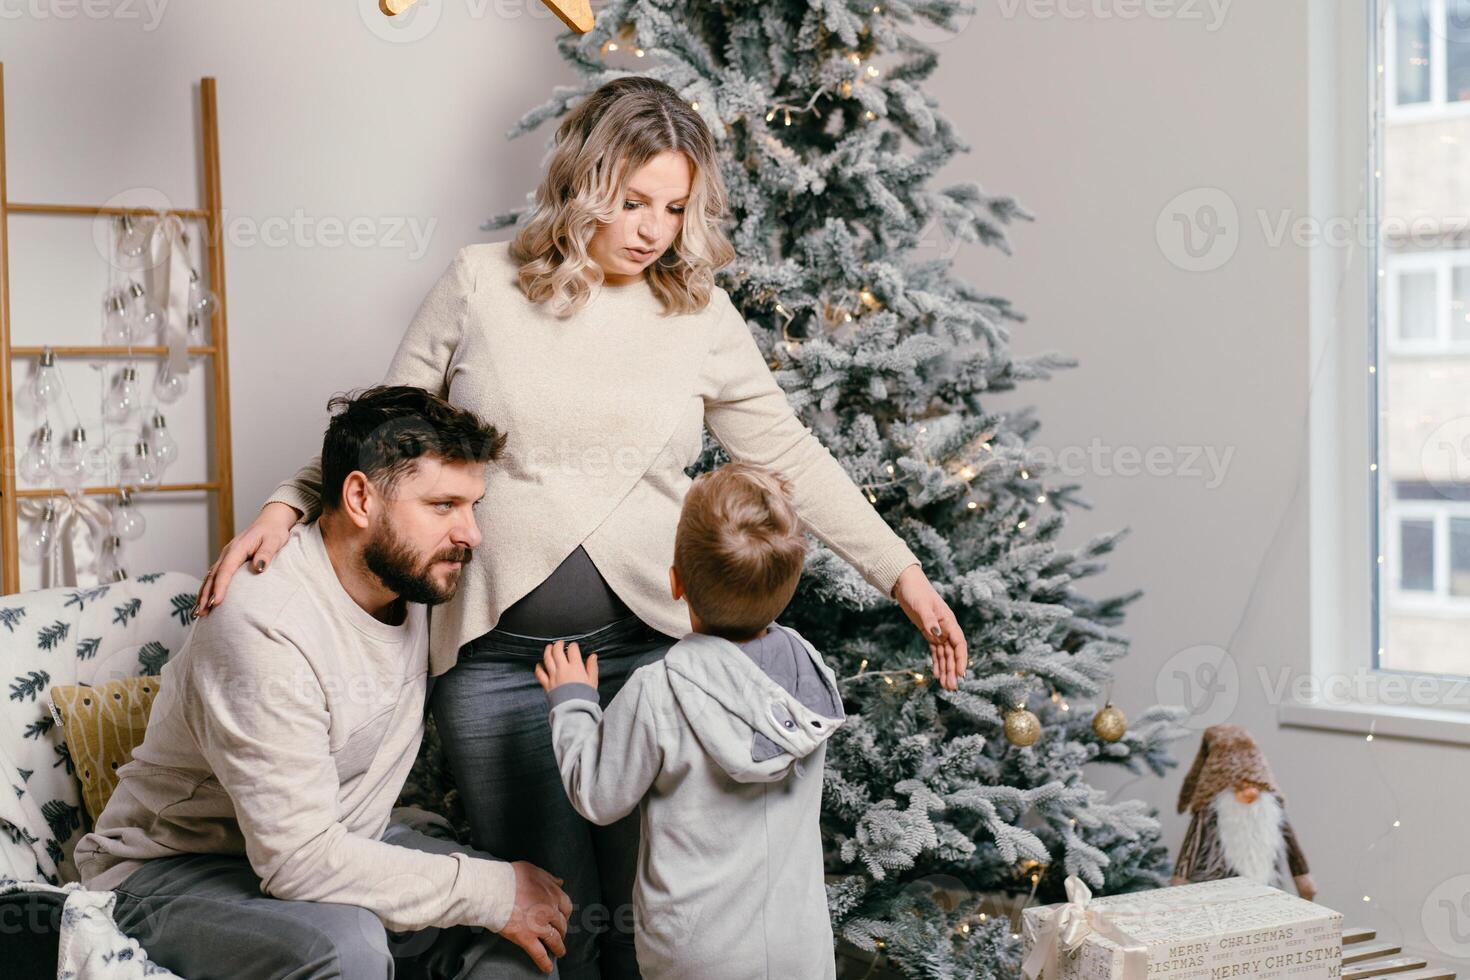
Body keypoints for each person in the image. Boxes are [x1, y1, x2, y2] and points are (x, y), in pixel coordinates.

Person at [192, 75, 968, 980]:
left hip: (649, 661)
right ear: (582, 186)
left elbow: (790, 457)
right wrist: (290, 502)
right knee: (555, 927)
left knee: (654, 924)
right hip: (497, 671)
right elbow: (390, 430)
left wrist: (904, 575)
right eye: (632, 201)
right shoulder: (480, 283)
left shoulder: (699, 317)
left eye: (674, 207)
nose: (651, 229)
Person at [74, 385, 572, 980]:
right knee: (349, 945)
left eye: (474, 505)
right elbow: (300, 863)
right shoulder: (264, 623)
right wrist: (490, 890)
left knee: (521, 940)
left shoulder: (421, 576)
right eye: (443, 505)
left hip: (343, 837)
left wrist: (498, 899)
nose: (472, 534)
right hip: (176, 869)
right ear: (359, 498)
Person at [534, 463, 845, 979]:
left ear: (675, 583)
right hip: (798, 944)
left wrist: (573, 702)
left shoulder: (659, 691)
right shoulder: (809, 672)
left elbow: (597, 795)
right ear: (787, 588)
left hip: (696, 952)